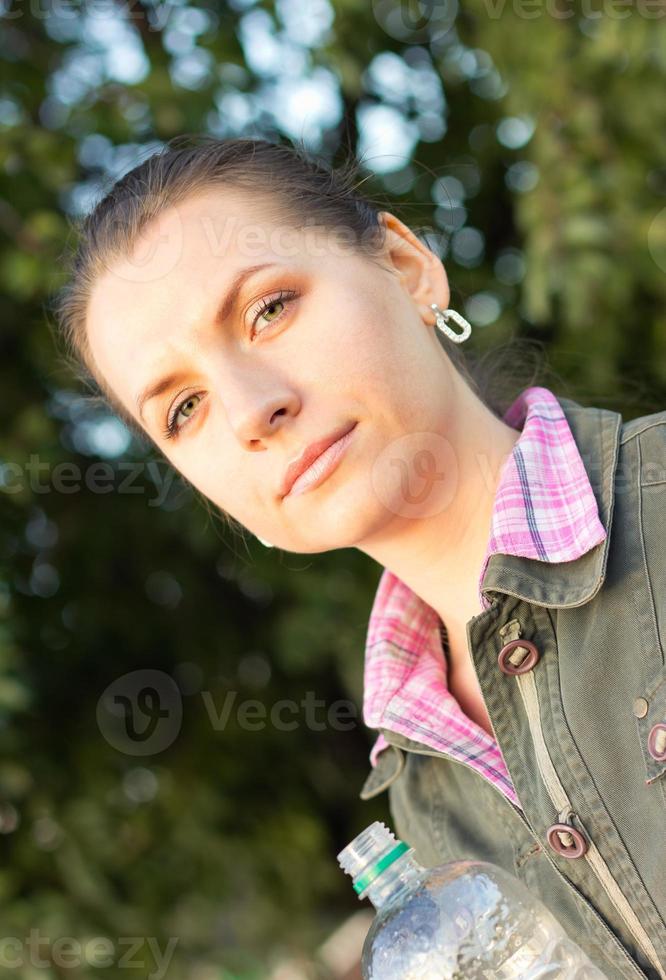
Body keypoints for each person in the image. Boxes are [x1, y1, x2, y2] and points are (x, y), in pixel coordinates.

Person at [52, 135, 666, 980]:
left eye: (269, 308)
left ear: (408, 268)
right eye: (184, 409)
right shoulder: (422, 809)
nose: (249, 412)